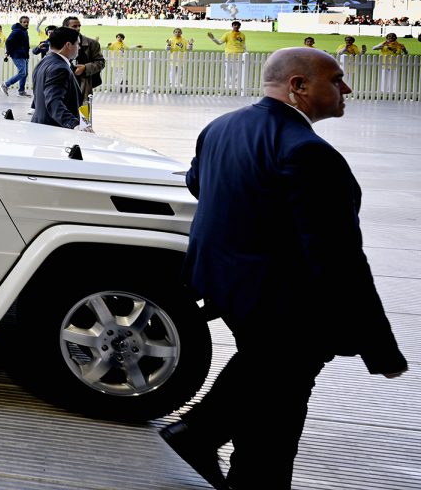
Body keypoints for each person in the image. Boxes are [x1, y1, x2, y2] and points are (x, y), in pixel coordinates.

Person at [161, 48, 406, 489]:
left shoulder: (221, 127)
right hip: (282, 301)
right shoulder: (309, 152)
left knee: (271, 385)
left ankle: (212, 444)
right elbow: (341, 260)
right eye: (336, 79)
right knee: (280, 393)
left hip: (225, 285)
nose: (346, 88)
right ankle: (208, 441)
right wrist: (381, 349)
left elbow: (199, 183)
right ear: (298, 86)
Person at [30, 27, 89, 131]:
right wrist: (75, 124)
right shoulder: (60, 68)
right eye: (77, 44)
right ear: (68, 45)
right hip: (55, 131)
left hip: (39, 126)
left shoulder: (44, 62)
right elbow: (54, 101)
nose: (79, 48)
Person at [62, 16, 105, 116]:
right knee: (63, 118)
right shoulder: (57, 43)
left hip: (83, 86)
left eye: (79, 26)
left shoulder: (92, 44)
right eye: (74, 26)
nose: (77, 28)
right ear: (65, 27)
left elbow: (101, 62)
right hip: (63, 84)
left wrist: (85, 68)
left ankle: (83, 130)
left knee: (84, 119)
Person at [207, 20, 247, 90]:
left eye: (237, 25)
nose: (236, 26)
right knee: (228, 72)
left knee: (238, 72)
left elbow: (243, 45)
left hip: (239, 56)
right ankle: (227, 86)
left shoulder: (242, 35)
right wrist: (213, 38)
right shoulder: (227, 34)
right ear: (232, 26)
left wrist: (246, 52)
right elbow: (219, 42)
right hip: (229, 56)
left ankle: (236, 86)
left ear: (240, 26)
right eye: (234, 25)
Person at [2, 16, 32, 96]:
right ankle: (6, 85)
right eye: (24, 22)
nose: (26, 23)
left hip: (24, 55)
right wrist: (8, 51)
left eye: (27, 22)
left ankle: (21, 91)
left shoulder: (24, 31)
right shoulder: (17, 31)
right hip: (17, 54)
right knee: (22, 73)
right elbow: (8, 41)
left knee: (25, 74)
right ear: (20, 23)